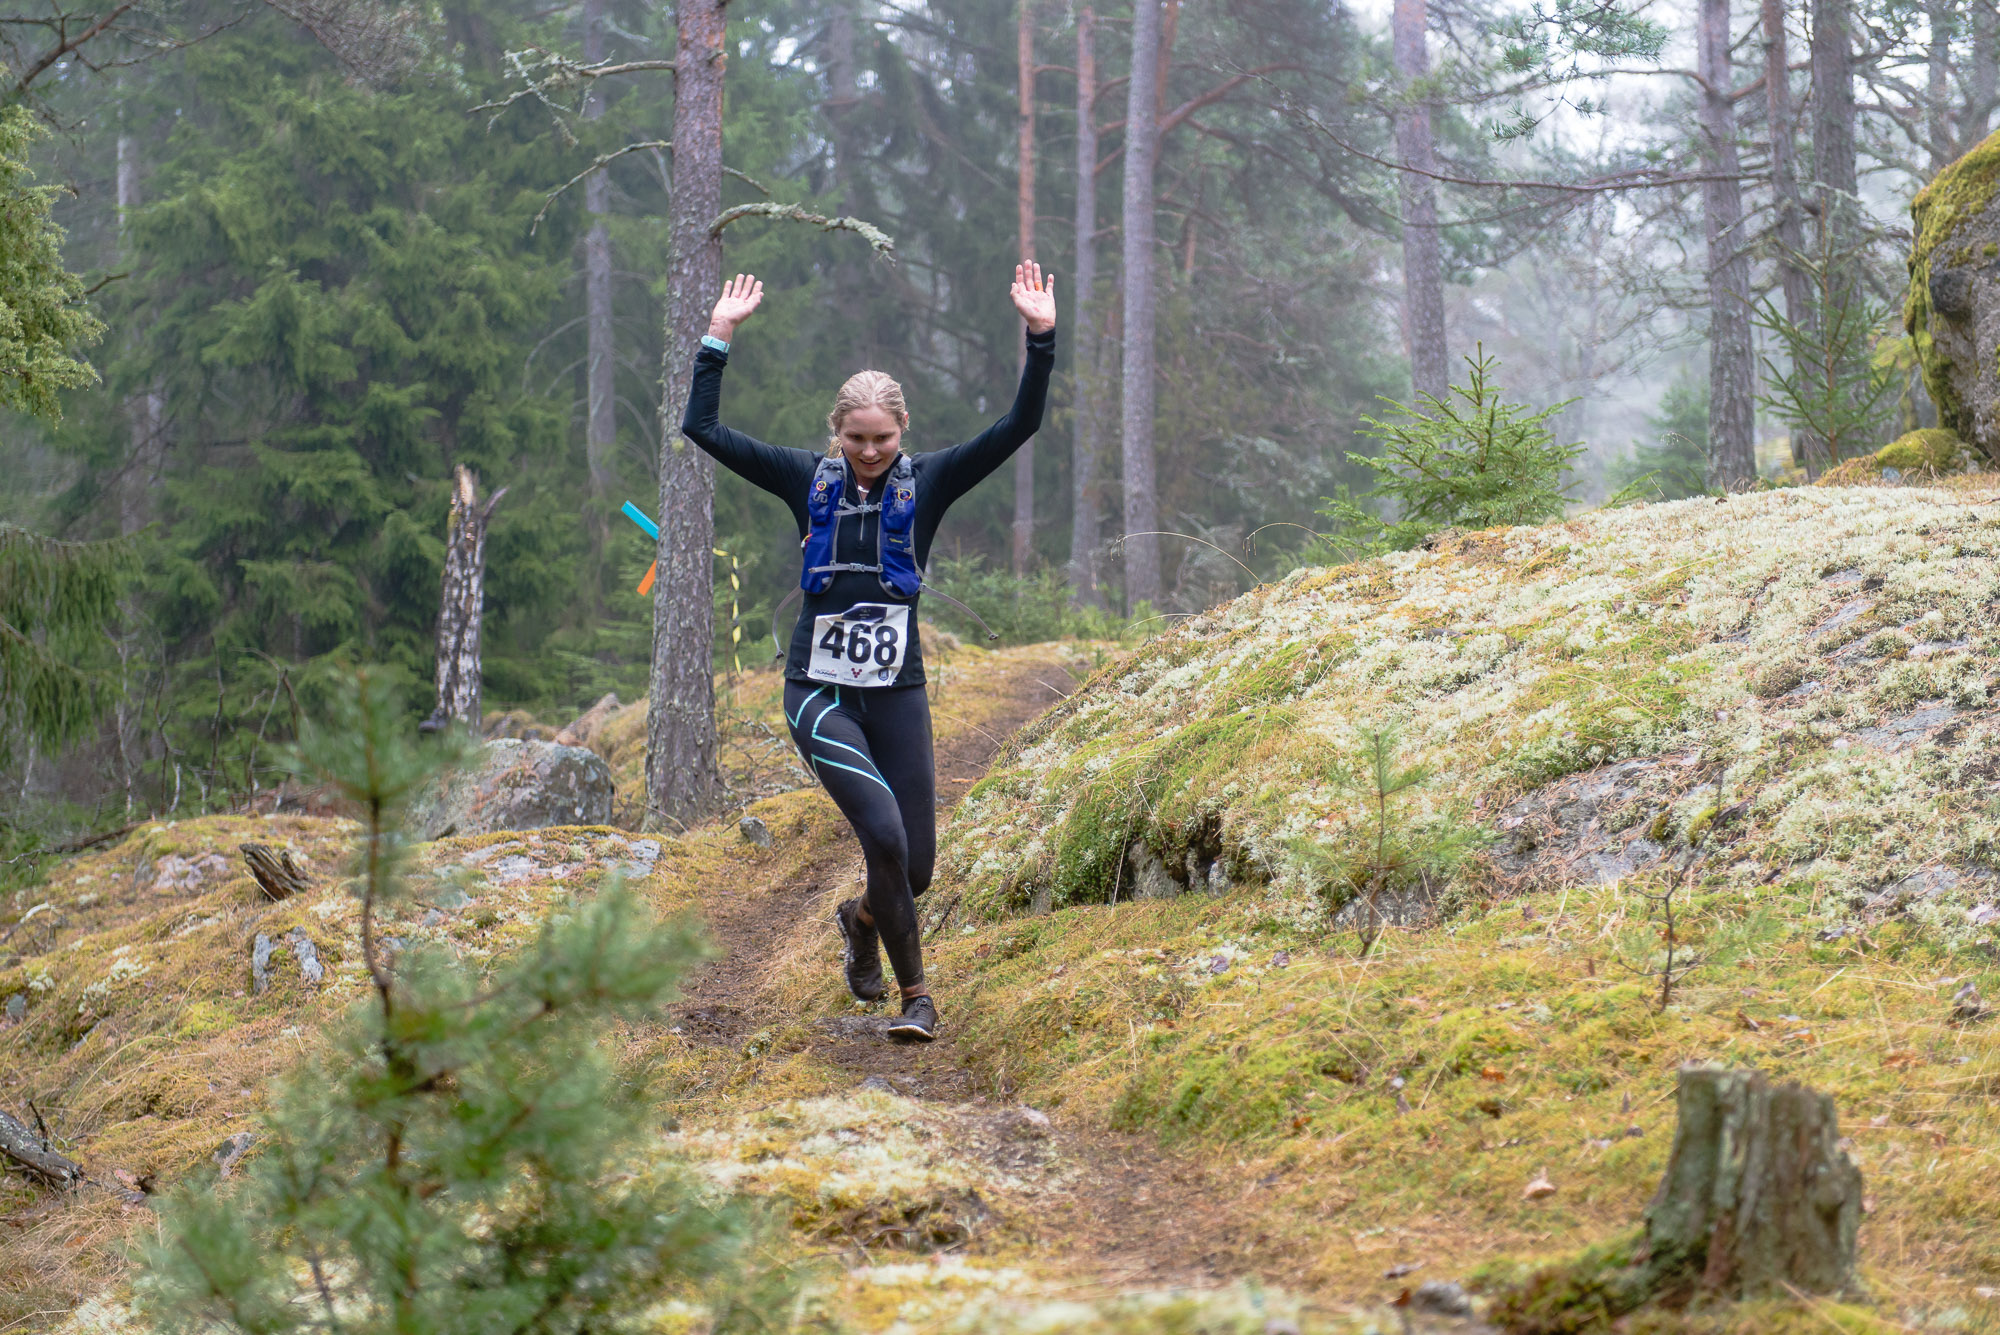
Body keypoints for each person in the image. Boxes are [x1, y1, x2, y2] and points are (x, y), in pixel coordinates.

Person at [680, 265, 1058, 1042]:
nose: (869, 453)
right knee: (881, 832)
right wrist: (719, 335)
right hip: (817, 693)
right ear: (836, 434)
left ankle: (859, 920)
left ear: (904, 430)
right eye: (855, 439)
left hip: (896, 689)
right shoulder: (803, 479)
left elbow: (1019, 426)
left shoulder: (931, 481)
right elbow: (705, 430)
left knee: (913, 870)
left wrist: (1041, 338)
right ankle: (917, 996)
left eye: (883, 439)